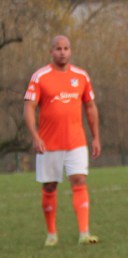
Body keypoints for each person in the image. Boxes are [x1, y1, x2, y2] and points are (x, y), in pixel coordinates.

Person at [24, 35, 101, 246]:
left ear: (71, 51)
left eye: (66, 48)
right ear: (51, 51)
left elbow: (90, 107)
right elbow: (29, 108)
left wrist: (96, 138)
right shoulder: (40, 76)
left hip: (76, 142)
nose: (62, 52)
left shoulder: (81, 76)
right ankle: (51, 235)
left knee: (80, 181)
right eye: (58, 48)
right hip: (49, 144)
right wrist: (35, 136)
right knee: (49, 186)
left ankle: (84, 233)